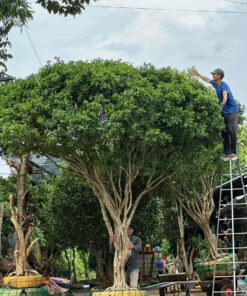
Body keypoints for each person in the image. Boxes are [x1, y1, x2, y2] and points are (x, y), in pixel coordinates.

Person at [192, 68, 238, 161]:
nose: (212, 75)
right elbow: (207, 79)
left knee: (232, 130)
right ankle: (226, 153)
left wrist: (222, 103)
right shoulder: (215, 84)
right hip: (224, 112)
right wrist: (198, 74)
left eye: (214, 74)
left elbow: (225, 96)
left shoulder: (224, 86)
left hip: (232, 111)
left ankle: (233, 152)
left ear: (219, 76)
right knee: (224, 132)